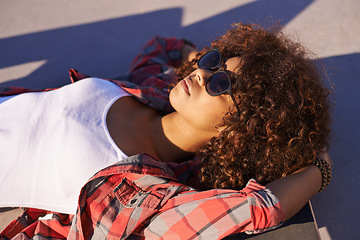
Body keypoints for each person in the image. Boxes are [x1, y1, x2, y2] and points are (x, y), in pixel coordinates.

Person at [0, 22, 332, 239]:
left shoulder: (142, 193)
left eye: (221, 83)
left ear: (239, 132)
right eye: (213, 62)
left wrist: (320, 169)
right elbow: (162, 46)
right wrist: (196, 59)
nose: (203, 74)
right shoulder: (155, 90)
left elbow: (260, 208)